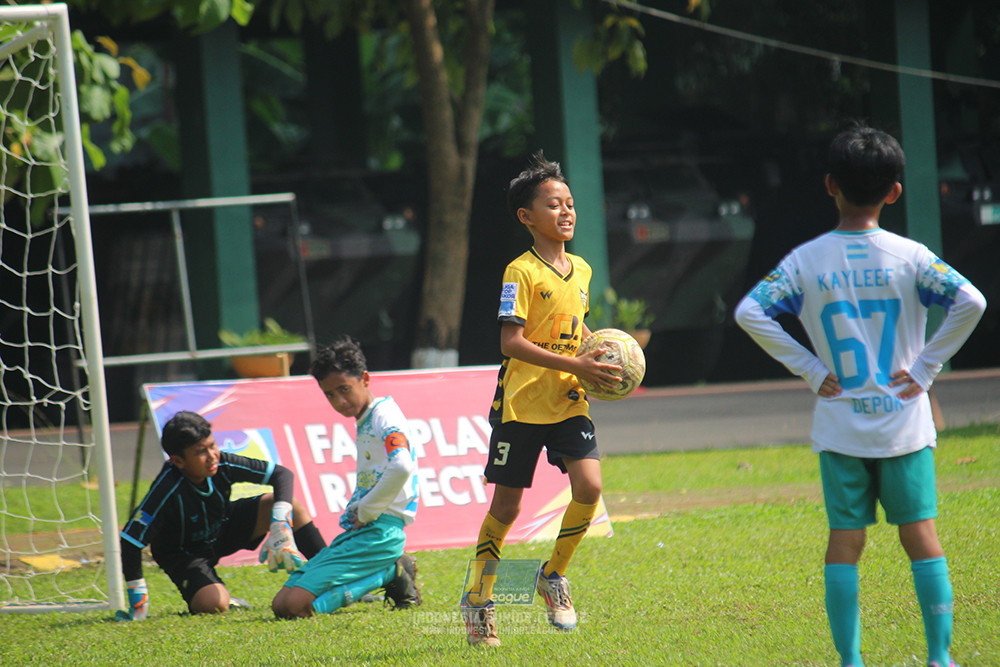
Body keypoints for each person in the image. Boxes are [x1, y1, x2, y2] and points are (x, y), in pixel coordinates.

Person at [734, 124, 986, 667]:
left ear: (830, 185)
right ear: (894, 191)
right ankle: (940, 658)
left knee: (844, 541)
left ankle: (851, 661)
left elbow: (749, 311)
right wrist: (925, 366)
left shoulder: (808, 261)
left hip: (840, 425)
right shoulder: (912, 256)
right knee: (921, 536)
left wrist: (807, 366)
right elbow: (972, 301)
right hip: (904, 424)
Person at [460, 152, 623, 647]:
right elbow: (511, 342)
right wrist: (579, 364)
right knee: (507, 507)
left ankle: (553, 575)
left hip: (568, 398)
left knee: (590, 487)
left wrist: (604, 357)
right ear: (526, 217)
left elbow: (575, 331)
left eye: (570, 203)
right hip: (522, 404)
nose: (567, 212)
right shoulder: (520, 272)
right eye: (554, 205)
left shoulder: (583, 270)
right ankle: (478, 600)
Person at [118, 410, 327, 619]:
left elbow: (281, 474)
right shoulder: (165, 490)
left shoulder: (222, 463)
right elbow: (130, 540)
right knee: (214, 604)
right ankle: (224, 598)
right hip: (185, 555)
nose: (212, 456)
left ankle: (333, 570)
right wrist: (138, 603)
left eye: (212, 445)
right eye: (201, 451)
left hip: (222, 530)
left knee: (291, 506)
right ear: (178, 461)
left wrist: (279, 523)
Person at [271, 337, 421, 618]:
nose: (339, 401)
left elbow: (402, 466)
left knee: (295, 608)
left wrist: (366, 510)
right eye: (329, 394)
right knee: (280, 605)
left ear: (365, 379)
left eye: (344, 389)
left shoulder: (384, 415)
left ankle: (390, 572)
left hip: (380, 533)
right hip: (363, 530)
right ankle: (389, 571)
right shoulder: (367, 418)